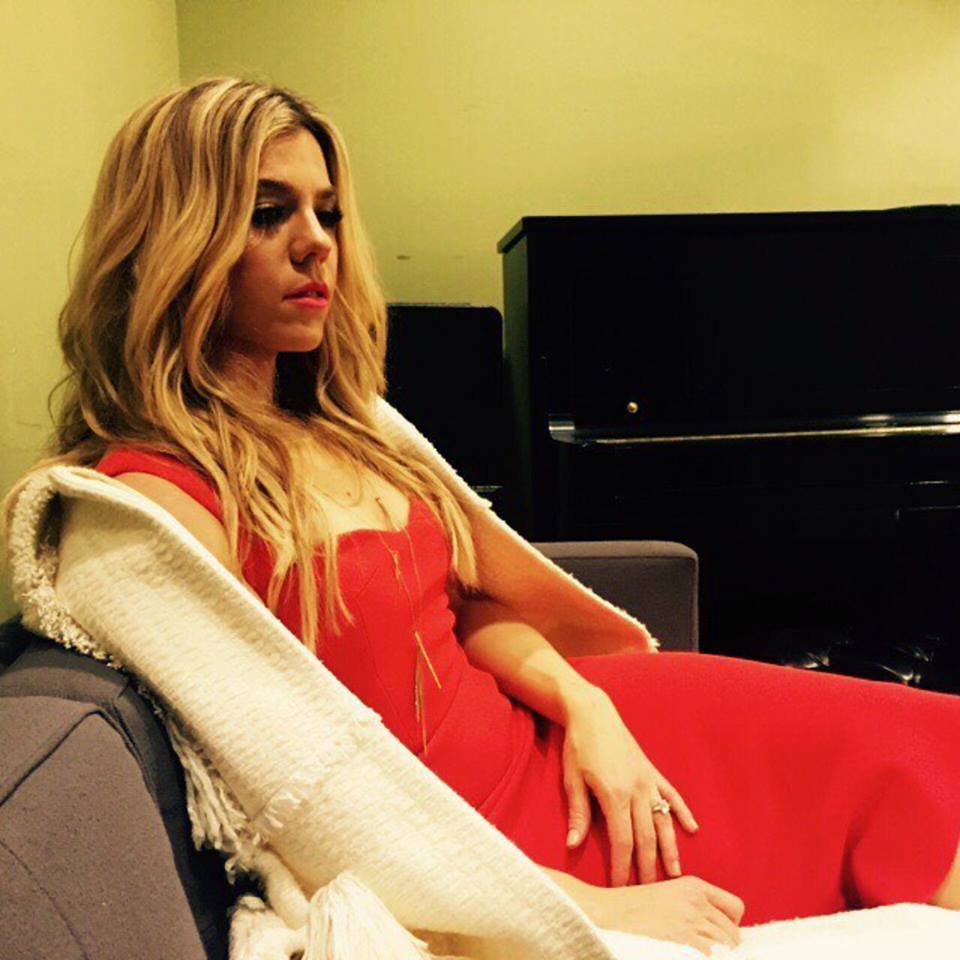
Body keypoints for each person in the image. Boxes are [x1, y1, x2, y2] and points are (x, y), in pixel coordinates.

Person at [10, 75, 960, 957]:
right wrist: (568, 902)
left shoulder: (350, 424)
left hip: (581, 738)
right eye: (269, 213)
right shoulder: (155, 501)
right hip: (489, 842)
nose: (317, 242)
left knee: (920, 745)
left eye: (327, 212)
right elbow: (287, 793)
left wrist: (587, 707)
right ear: (172, 237)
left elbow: (468, 609)